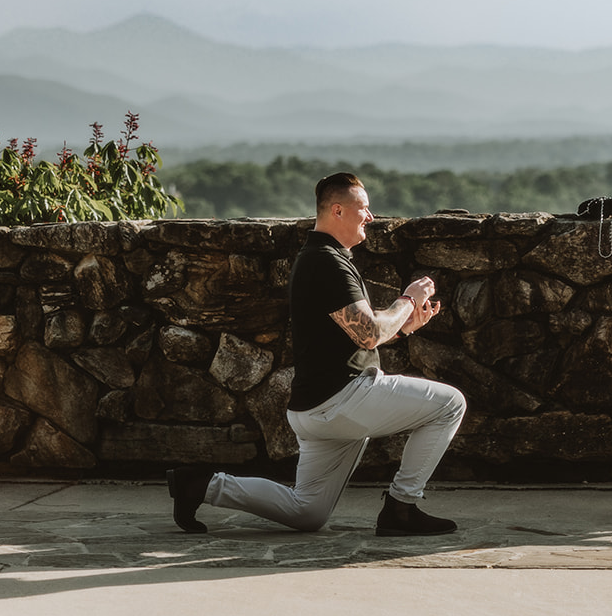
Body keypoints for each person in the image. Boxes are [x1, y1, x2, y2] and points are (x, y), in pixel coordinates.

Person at [168, 171, 467, 536]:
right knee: (451, 404)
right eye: (364, 208)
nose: (371, 217)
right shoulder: (326, 262)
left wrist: (404, 326)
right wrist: (408, 299)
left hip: (315, 409)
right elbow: (370, 333)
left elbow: (358, 334)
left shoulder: (323, 259)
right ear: (338, 211)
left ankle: (200, 485)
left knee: (306, 512)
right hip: (342, 400)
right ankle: (402, 508)